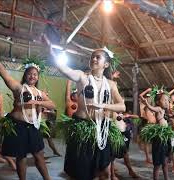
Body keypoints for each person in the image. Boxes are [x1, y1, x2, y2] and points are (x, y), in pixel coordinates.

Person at [44, 35, 125, 180]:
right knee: (80, 173)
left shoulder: (111, 85)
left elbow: (122, 106)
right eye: (92, 56)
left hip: (102, 129)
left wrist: (102, 105)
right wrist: (52, 53)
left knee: (105, 173)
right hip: (82, 127)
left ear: (105, 64)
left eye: (98, 57)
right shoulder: (83, 77)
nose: (93, 59)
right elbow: (65, 70)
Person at [0, 46, 55, 180]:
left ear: (37, 77)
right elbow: (6, 76)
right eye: (29, 73)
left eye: (35, 74)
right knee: (21, 156)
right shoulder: (19, 88)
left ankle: (48, 179)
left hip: (33, 127)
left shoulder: (40, 93)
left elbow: (52, 104)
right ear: (25, 75)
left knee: (39, 155)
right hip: (18, 126)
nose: (32, 76)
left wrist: (36, 102)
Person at [140, 88, 173, 180]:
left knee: (165, 161)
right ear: (158, 102)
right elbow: (151, 108)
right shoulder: (158, 109)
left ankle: (167, 178)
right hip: (159, 137)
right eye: (164, 100)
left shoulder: (166, 111)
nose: (167, 102)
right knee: (158, 163)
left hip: (166, 136)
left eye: (167, 100)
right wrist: (146, 103)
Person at [110, 112, 139, 179]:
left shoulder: (124, 114)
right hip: (116, 135)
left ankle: (130, 171)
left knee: (125, 154)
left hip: (125, 135)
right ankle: (112, 174)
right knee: (112, 155)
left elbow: (137, 116)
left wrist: (128, 115)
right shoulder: (112, 112)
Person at [139, 88, 156, 164]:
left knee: (152, 143)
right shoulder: (143, 103)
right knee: (147, 142)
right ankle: (147, 158)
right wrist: (147, 90)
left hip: (153, 124)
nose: (150, 98)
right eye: (148, 96)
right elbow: (140, 95)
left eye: (151, 96)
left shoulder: (152, 106)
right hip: (146, 123)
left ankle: (150, 157)